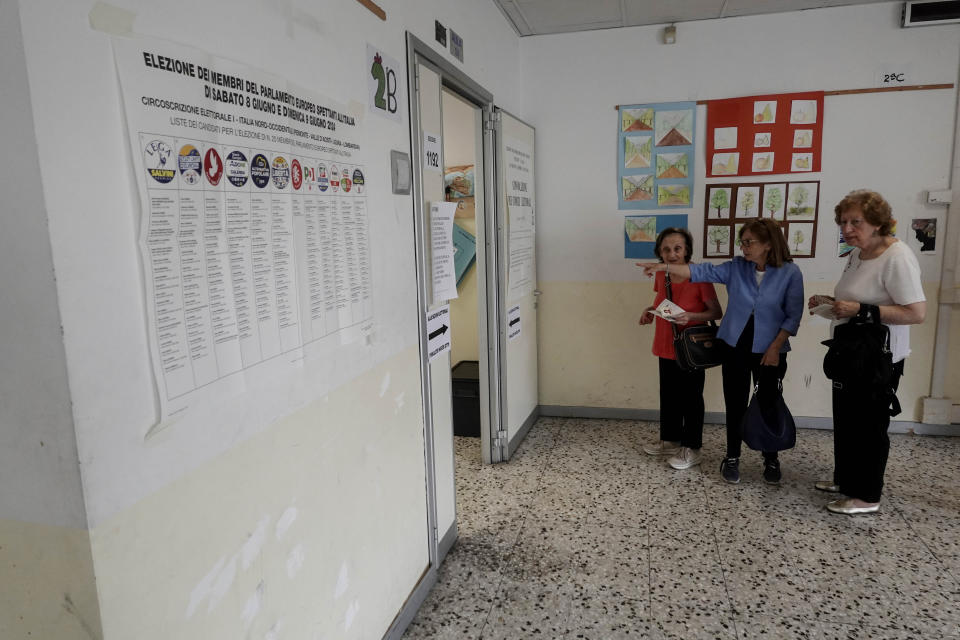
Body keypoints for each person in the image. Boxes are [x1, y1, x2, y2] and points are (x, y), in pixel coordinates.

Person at [639, 218, 804, 484]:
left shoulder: (790, 273)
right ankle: (732, 456)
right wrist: (663, 266)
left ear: (768, 244)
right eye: (743, 241)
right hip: (734, 345)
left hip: (771, 348)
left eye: (749, 242)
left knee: (768, 403)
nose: (744, 247)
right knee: (735, 403)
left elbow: (793, 316)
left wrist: (775, 347)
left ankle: (770, 458)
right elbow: (700, 272)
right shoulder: (737, 267)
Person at [808, 190, 925, 515]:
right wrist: (832, 305)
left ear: (877, 222)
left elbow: (916, 312)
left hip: (878, 358)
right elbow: (855, 299)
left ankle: (867, 496)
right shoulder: (857, 254)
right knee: (846, 421)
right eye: (843, 222)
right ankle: (846, 480)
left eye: (855, 222)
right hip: (850, 353)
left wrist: (861, 310)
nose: (847, 228)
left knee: (870, 427)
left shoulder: (897, 256)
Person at [639, 228, 722, 469]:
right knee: (669, 395)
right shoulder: (660, 275)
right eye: (666, 249)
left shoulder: (699, 275)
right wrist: (649, 311)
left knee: (692, 398)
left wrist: (691, 316)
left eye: (677, 248)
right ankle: (670, 440)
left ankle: (692, 447)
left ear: (687, 251)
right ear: (659, 252)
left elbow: (716, 312)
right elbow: (661, 303)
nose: (672, 254)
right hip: (666, 343)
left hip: (690, 348)